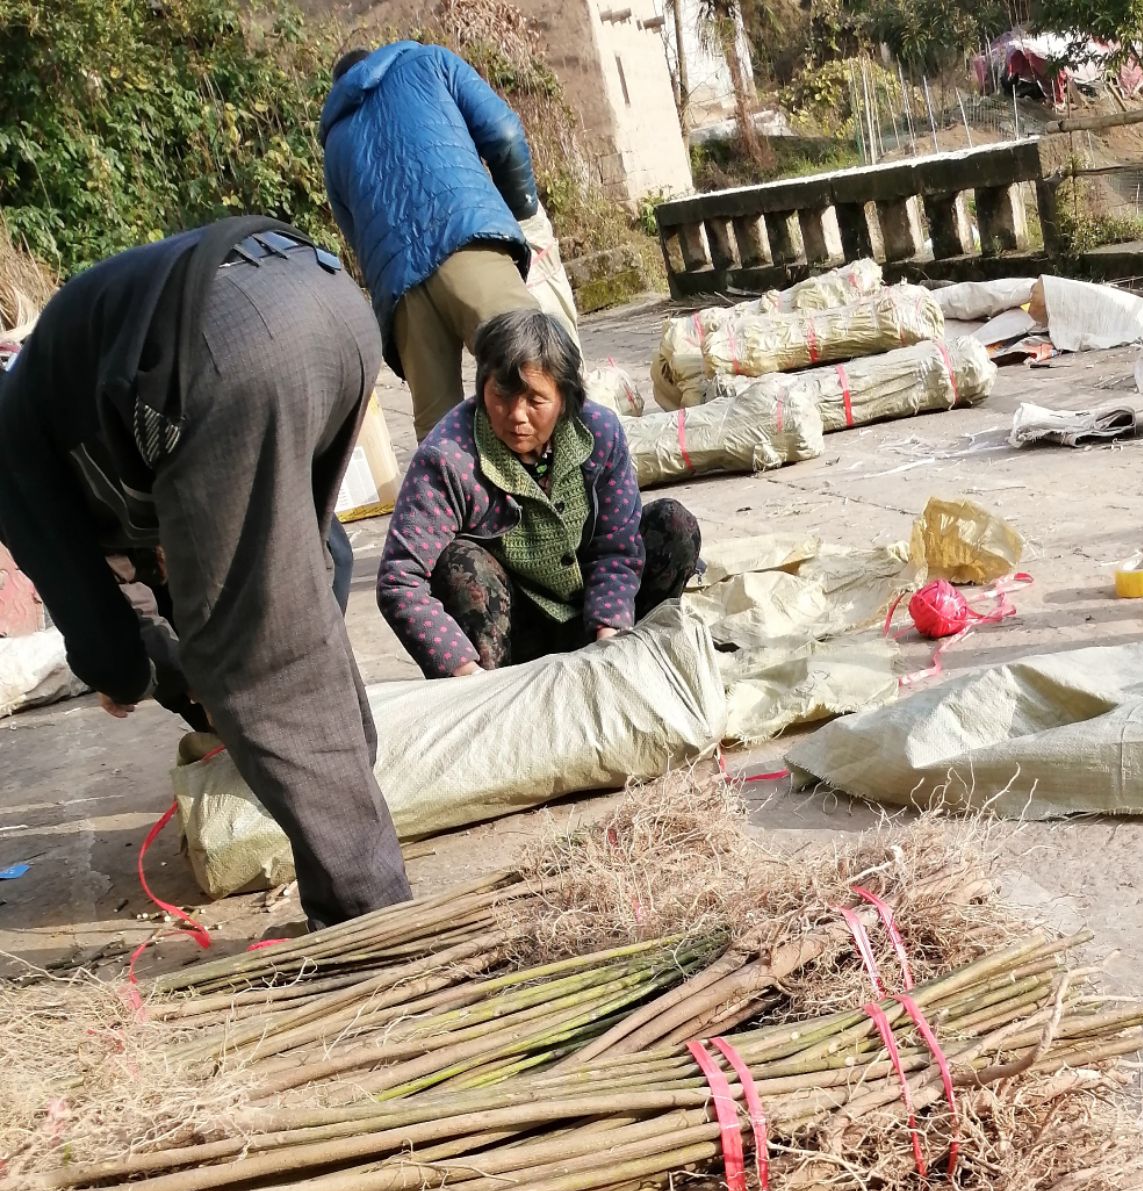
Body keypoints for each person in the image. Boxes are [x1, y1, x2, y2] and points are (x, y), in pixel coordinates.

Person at [0, 219, 412, 927]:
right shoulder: (52, 383)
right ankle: (347, 791)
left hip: (227, 345)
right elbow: (323, 560)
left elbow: (99, 633)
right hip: (328, 298)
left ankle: (366, 921)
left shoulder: (9, 440)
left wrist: (136, 676)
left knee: (256, 665)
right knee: (286, 604)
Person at [376, 309, 701, 678]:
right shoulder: (448, 458)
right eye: (502, 394)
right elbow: (399, 578)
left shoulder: (600, 433)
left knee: (674, 526)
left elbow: (617, 548)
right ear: (483, 386)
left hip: (592, 613)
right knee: (458, 563)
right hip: (514, 634)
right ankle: (498, 694)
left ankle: (636, 659)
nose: (516, 415)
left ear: (565, 398)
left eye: (535, 400)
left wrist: (608, 637)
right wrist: (463, 672)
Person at [321, 41, 546, 442]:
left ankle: (466, 505)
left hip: (400, 290)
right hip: (468, 239)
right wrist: (521, 213)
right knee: (534, 374)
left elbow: (357, 241)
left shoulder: (334, 143)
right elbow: (506, 135)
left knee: (440, 437)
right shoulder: (430, 62)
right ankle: (583, 500)